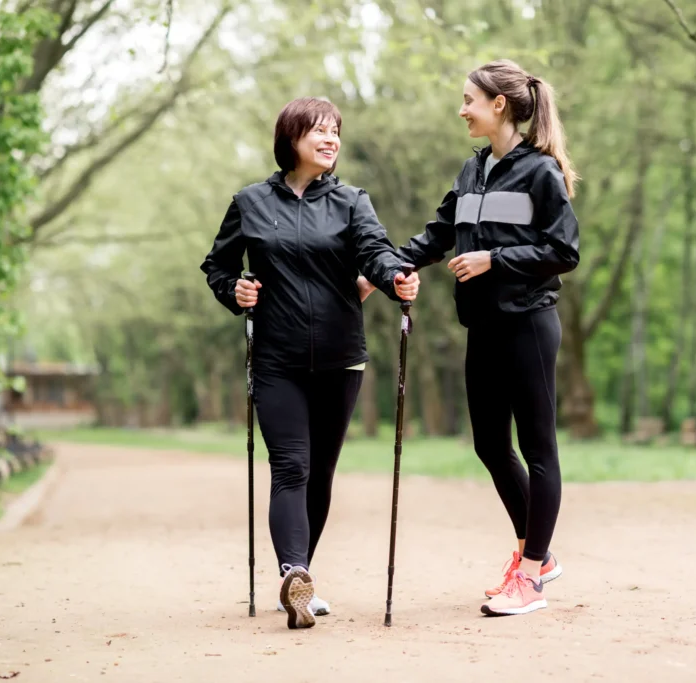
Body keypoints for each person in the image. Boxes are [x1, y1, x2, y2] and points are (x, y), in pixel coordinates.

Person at [362, 59, 579, 616]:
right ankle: (541, 554)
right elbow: (437, 235)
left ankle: (530, 574)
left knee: (538, 449)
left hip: (530, 321)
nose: (462, 110)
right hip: (482, 325)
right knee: (488, 444)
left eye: (469, 100)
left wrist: (494, 259)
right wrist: (379, 271)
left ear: (498, 104)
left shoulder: (541, 173)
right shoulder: (472, 170)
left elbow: (564, 251)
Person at [200, 97, 420, 630]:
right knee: (291, 466)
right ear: (291, 138)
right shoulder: (249, 202)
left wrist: (395, 277)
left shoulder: (351, 201)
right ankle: (294, 570)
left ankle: (301, 580)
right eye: (319, 130)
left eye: (336, 131)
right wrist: (237, 290)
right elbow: (218, 266)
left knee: (319, 472)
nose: (330, 139)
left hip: (341, 358)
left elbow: (375, 250)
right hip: (277, 357)